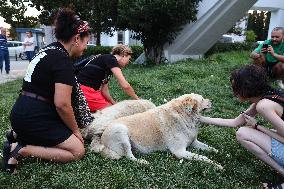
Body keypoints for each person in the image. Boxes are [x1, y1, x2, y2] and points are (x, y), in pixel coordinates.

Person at [1, 8, 90, 174]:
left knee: (60, 135)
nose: (85, 48)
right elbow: (62, 104)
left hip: (21, 112)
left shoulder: (47, 51)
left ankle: (18, 135)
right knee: (77, 150)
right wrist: (76, 131)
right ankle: (19, 149)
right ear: (77, 39)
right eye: (86, 42)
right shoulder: (62, 59)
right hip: (35, 118)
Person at [199, 64, 284, 188]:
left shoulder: (263, 105)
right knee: (243, 131)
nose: (233, 91)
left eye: (235, 87)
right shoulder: (266, 96)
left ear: (245, 88)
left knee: (243, 133)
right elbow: (234, 122)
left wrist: (258, 126)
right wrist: (200, 119)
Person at [77, 44, 139, 112]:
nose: (128, 63)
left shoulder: (107, 63)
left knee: (112, 108)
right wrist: (138, 100)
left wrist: (113, 103)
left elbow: (104, 91)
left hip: (87, 92)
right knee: (113, 112)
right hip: (85, 92)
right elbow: (125, 85)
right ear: (124, 55)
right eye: (129, 59)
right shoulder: (111, 59)